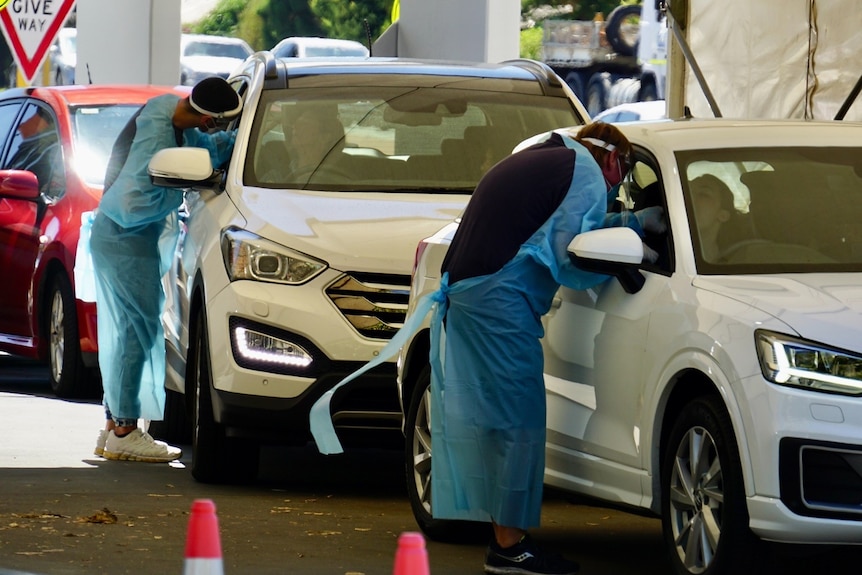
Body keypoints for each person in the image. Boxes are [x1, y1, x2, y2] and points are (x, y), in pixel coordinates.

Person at [433, 121, 663, 575]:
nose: (619, 184)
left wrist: (628, 223)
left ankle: (507, 537)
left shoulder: (550, 157)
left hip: (474, 291)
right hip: (497, 297)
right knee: (517, 420)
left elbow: (566, 225)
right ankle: (509, 548)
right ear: (612, 158)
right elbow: (571, 257)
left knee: (492, 419)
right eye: (626, 170)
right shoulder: (585, 173)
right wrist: (637, 246)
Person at [89, 77, 242, 462]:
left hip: (122, 239)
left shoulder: (169, 111)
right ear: (209, 119)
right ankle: (125, 429)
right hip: (125, 237)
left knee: (128, 330)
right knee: (138, 333)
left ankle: (112, 428)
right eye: (221, 125)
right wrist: (185, 190)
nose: (217, 131)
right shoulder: (156, 139)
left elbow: (203, 151)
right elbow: (133, 204)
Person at [688, 174, 740, 261]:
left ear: (723, 216)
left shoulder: (733, 263)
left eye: (703, 194)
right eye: (687, 191)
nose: (689, 196)